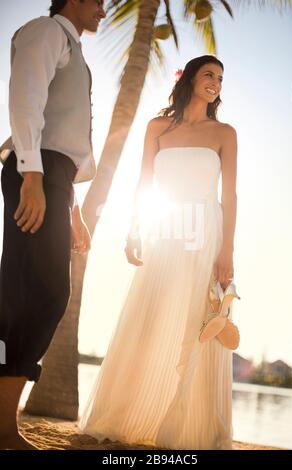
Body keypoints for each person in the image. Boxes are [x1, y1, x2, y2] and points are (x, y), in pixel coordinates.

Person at [80, 55, 238, 450]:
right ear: (188, 79)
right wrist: (134, 227)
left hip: (206, 234)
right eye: (209, 74)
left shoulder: (225, 133)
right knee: (150, 317)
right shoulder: (156, 127)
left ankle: (190, 428)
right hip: (165, 233)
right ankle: (130, 413)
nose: (216, 82)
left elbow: (230, 196)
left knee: (200, 323)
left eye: (220, 78)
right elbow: (143, 184)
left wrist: (227, 252)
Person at [0, 0, 106, 450]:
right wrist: (31, 175)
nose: (103, 9)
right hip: (36, 171)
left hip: (53, 176)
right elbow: (27, 100)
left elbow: (65, 138)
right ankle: (4, 428)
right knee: (34, 292)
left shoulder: (76, 52)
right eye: (99, 1)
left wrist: (72, 210)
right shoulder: (46, 31)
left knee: (41, 293)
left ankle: (4, 424)